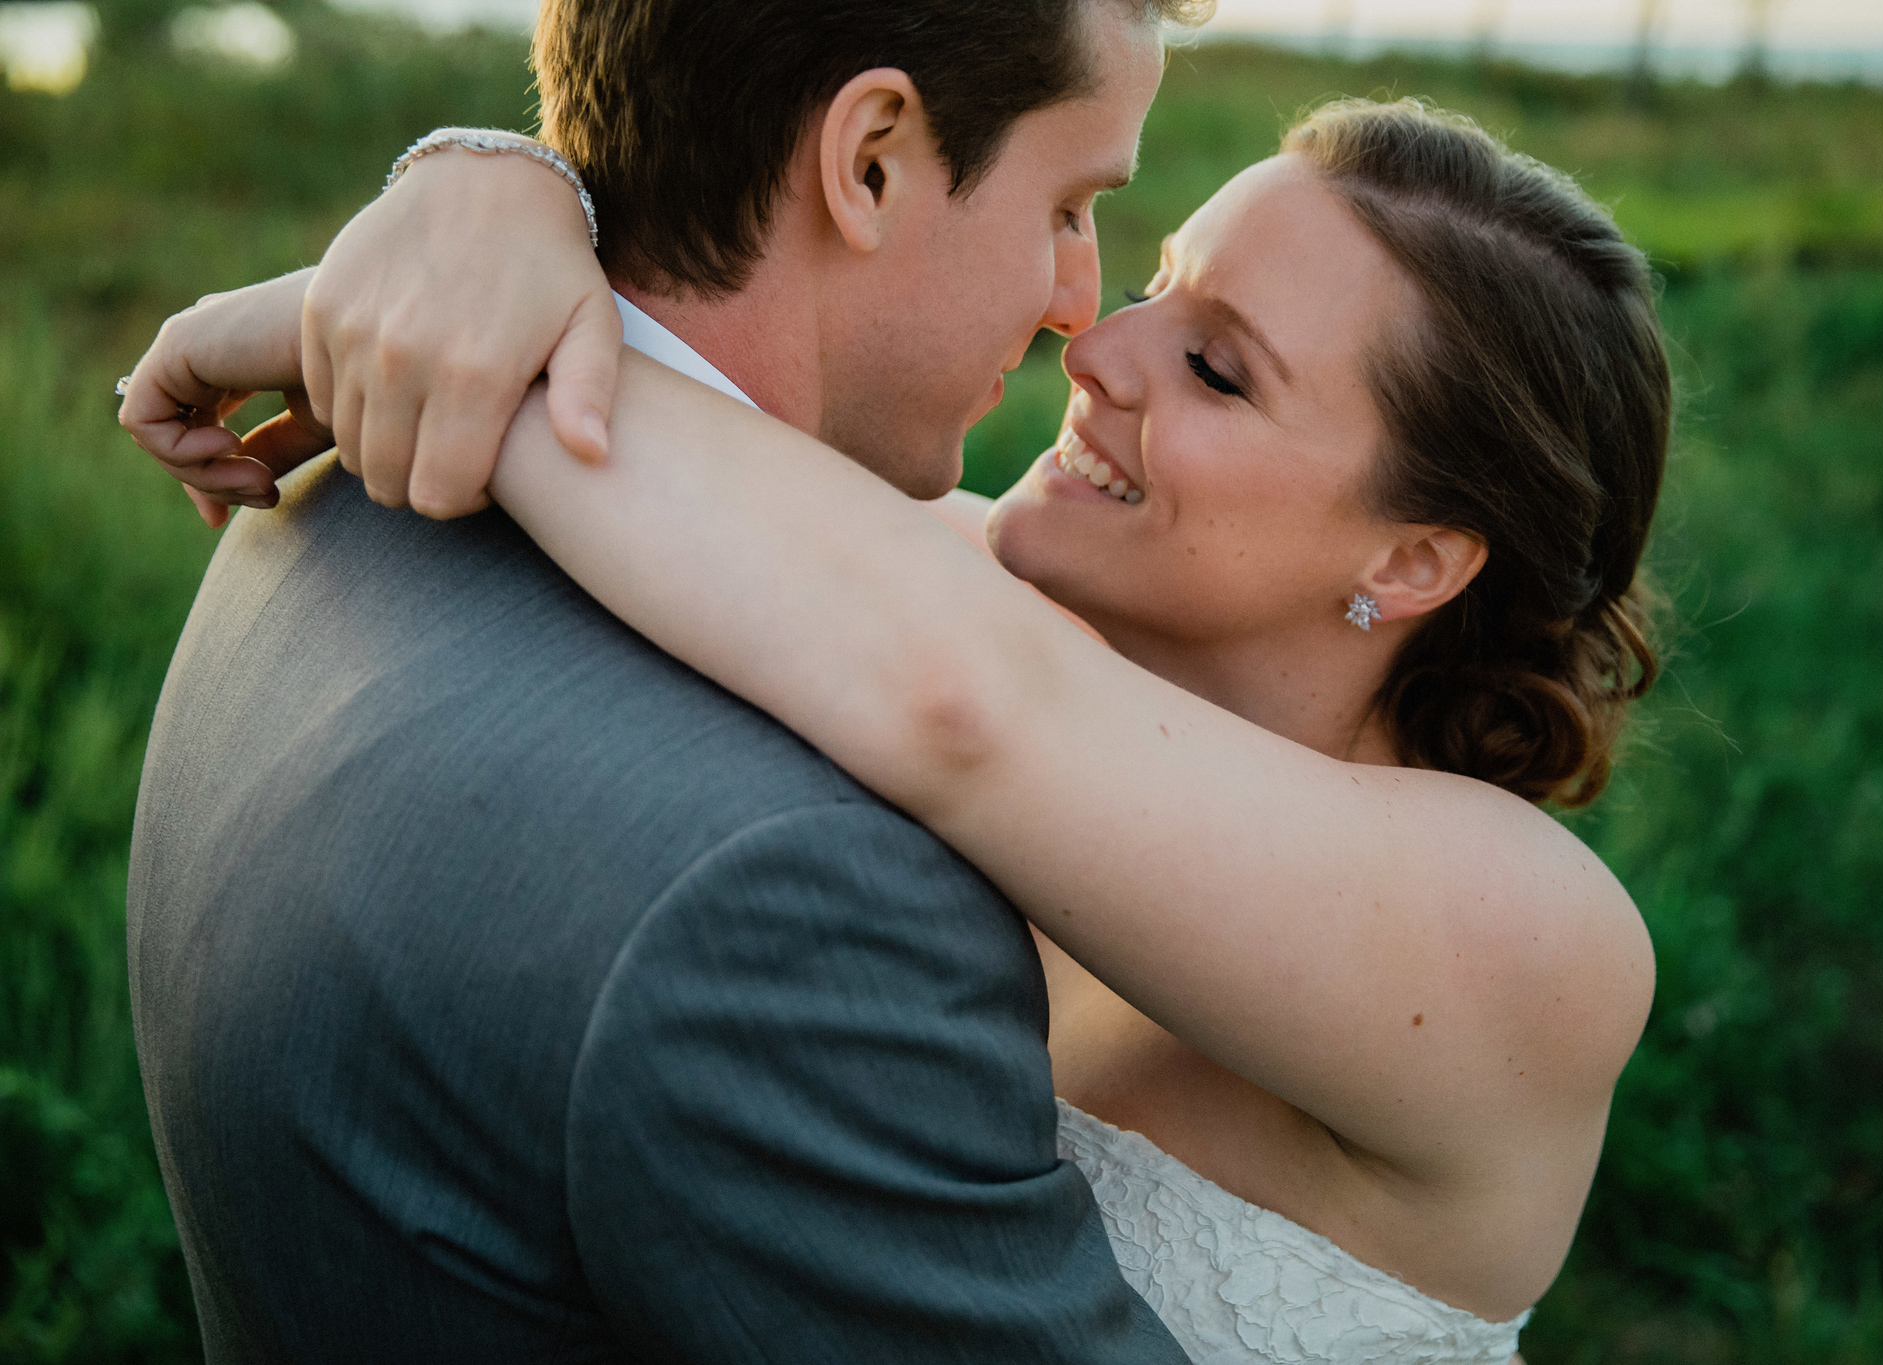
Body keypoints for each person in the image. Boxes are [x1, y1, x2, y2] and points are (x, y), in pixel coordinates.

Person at [126, 80, 1668, 1365]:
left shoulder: (1530, 937)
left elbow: (954, 695)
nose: (1098, 346)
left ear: (1411, 559)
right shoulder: (942, 586)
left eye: (1215, 368)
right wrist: (489, 188)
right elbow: (717, 390)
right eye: (1153, 284)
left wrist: (419, 335)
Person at [118, 1, 1205, 1361]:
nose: (1077, 302)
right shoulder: (792, 892)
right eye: (1068, 203)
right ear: (868, 159)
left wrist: (474, 168)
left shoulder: (336, 486)